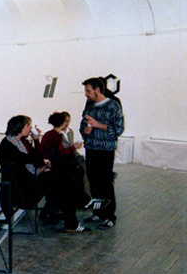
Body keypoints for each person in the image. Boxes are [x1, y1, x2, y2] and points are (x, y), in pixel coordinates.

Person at [79, 77, 125, 230]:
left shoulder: (113, 106)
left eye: (88, 91)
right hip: (91, 149)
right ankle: (98, 212)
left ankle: (110, 216)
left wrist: (98, 125)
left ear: (97, 90)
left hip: (105, 151)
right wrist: (86, 130)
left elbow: (118, 129)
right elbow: (82, 126)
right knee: (93, 182)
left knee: (105, 182)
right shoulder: (89, 106)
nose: (86, 94)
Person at [41, 112, 91, 233]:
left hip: (55, 168)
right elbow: (60, 153)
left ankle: (81, 204)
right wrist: (73, 148)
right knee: (70, 189)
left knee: (73, 181)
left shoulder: (50, 135)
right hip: (56, 171)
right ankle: (82, 204)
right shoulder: (56, 136)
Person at [0, 115, 50, 221]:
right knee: (55, 179)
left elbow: (35, 156)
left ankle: (51, 213)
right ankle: (51, 214)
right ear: (20, 127)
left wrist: (36, 140)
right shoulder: (7, 146)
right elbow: (24, 160)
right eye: (28, 126)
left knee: (58, 177)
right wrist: (40, 168)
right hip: (21, 188)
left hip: (27, 180)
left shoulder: (21, 141)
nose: (31, 128)